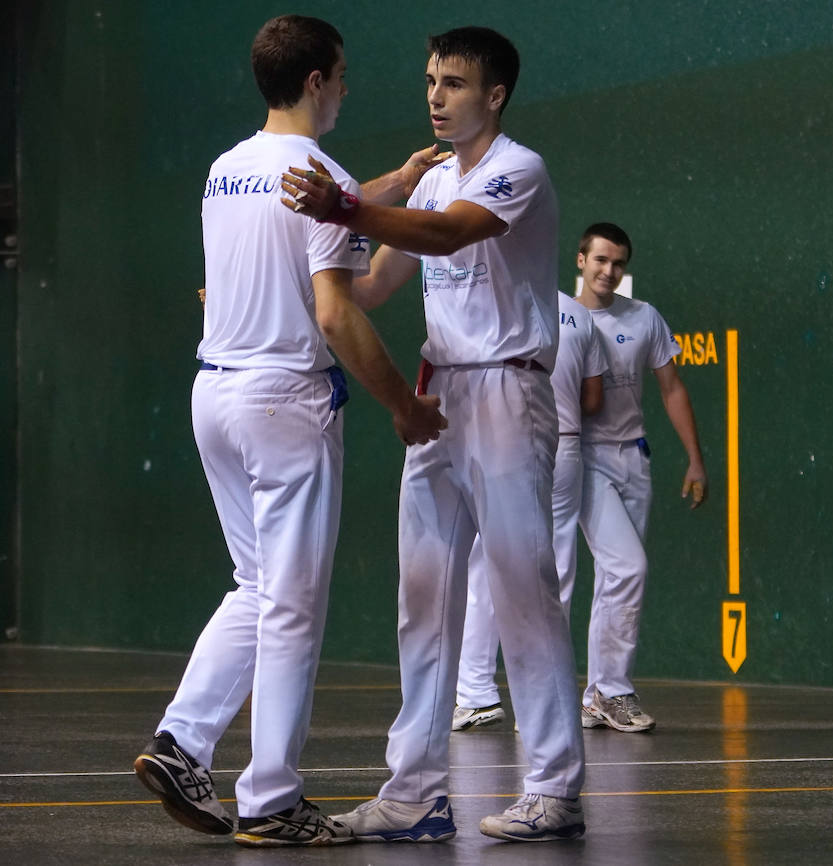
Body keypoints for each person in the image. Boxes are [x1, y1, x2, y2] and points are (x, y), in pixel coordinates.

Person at [132, 15, 445, 849]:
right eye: (341, 75)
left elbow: (311, 208)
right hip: (284, 404)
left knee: (258, 587)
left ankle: (181, 743)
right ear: (316, 81)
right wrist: (402, 406)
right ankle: (271, 800)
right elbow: (339, 312)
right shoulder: (320, 170)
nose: (346, 88)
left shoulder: (226, 169)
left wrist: (398, 180)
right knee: (294, 607)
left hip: (216, 398)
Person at [283, 25, 588, 843]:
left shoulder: (517, 170)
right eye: (429, 81)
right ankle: (414, 792)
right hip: (437, 397)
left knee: (523, 588)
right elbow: (376, 285)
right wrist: (287, 265)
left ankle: (554, 789)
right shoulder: (426, 182)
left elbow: (450, 233)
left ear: (494, 95)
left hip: (508, 395)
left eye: (453, 83)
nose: (435, 96)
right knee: (421, 595)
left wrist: (347, 203)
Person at [574, 222, 707, 733]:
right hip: (584, 460)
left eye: (619, 263)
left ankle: (596, 695)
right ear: (581, 260)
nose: (610, 271)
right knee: (628, 567)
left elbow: (672, 389)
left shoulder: (644, 317)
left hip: (636, 460)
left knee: (617, 577)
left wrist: (695, 459)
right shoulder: (561, 318)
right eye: (601, 260)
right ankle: (614, 690)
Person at [452, 290, 606, 730]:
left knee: (486, 564)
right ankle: (543, 707)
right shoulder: (579, 315)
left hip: (505, 436)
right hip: (565, 442)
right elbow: (592, 399)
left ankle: (475, 692)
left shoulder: (497, 301)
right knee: (554, 569)